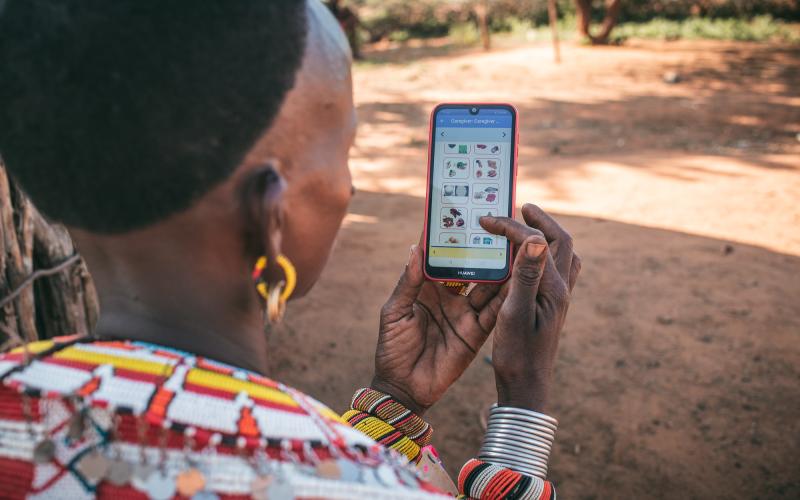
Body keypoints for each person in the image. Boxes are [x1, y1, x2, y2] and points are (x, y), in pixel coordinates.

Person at [0, 1, 580, 498]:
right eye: (344, 152)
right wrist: (522, 405)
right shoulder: (362, 484)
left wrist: (394, 398)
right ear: (270, 214)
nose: (349, 187)